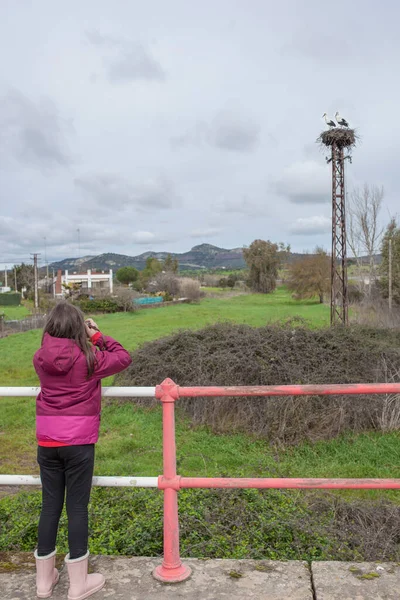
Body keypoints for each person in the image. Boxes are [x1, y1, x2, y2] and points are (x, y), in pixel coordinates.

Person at [33, 301, 132, 599]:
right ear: (79, 328)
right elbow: (124, 357)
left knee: (50, 506)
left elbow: (54, 354)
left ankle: (43, 582)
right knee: (76, 508)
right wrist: (97, 335)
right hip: (78, 444)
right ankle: (78, 585)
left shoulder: (40, 358)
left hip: (47, 442)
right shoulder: (90, 358)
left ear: (50, 327)